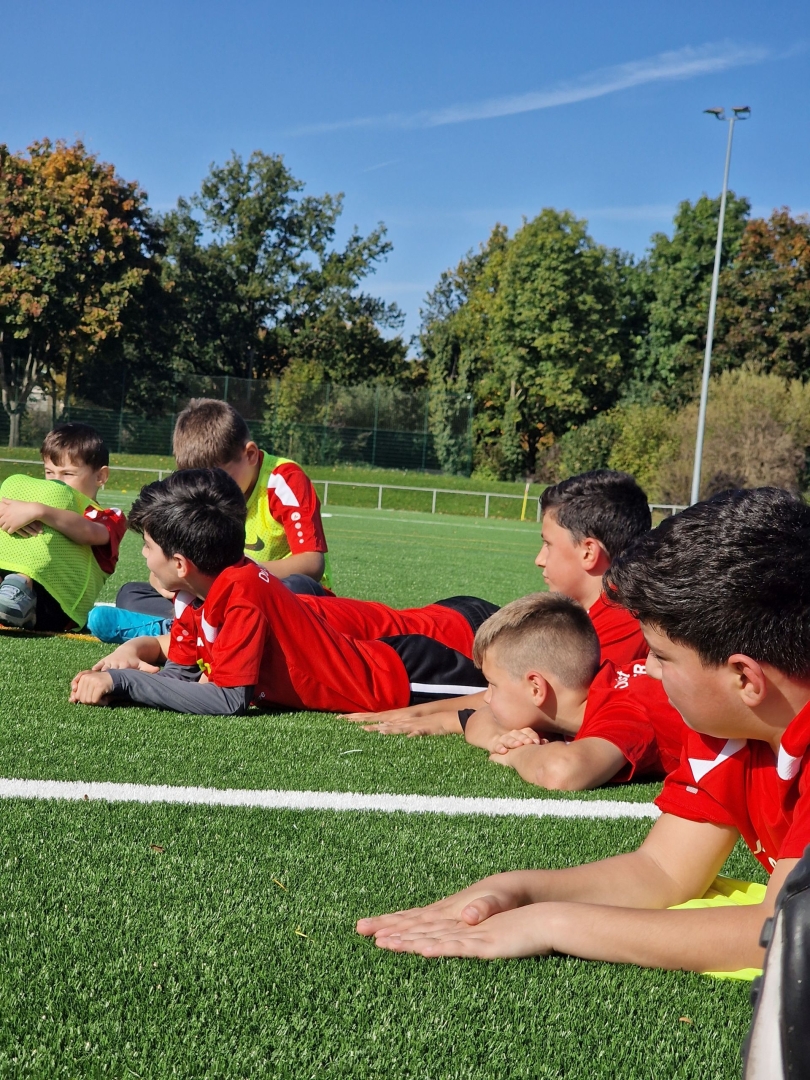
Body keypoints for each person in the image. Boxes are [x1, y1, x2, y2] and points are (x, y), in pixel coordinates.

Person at [356, 487, 810, 978]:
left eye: (661, 657)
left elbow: (786, 933)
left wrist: (553, 923)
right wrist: (519, 890)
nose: (648, 671)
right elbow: (662, 870)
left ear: (745, 679)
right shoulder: (727, 729)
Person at [70, 469, 497, 715]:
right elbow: (178, 677)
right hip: (419, 642)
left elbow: (228, 700)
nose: (143, 555)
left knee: (514, 701)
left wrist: (123, 682)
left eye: (147, 546)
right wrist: (121, 685)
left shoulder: (241, 593)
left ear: (181, 564)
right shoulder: (192, 597)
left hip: (407, 673)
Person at [345, 469, 651, 736]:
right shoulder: (599, 610)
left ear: (588, 552)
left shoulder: (625, 618)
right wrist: (422, 712)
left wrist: (448, 720)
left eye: (548, 544)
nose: (539, 559)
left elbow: (551, 711)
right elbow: (519, 695)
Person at [88, 398, 333, 643]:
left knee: (299, 586)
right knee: (131, 594)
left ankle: (187, 632)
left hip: (275, 594)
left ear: (250, 454)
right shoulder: (201, 493)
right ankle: (204, 632)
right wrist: (163, 579)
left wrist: (234, 575)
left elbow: (311, 563)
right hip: (215, 595)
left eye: (218, 476)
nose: (209, 488)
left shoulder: (283, 480)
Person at [455, 592, 684, 791]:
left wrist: (515, 754)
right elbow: (478, 719)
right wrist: (499, 740)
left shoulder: (625, 708)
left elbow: (561, 772)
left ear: (536, 688)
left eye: (493, 684)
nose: (487, 697)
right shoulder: (580, 701)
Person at [0, 423, 126, 631]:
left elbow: (90, 533)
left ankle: (20, 584)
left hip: (59, 608)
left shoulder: (108, 516)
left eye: (68, 474)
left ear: (100, 477)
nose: (56, 482)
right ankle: (12, 590)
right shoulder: (35, 501)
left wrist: (40, 511)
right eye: (49, 472)